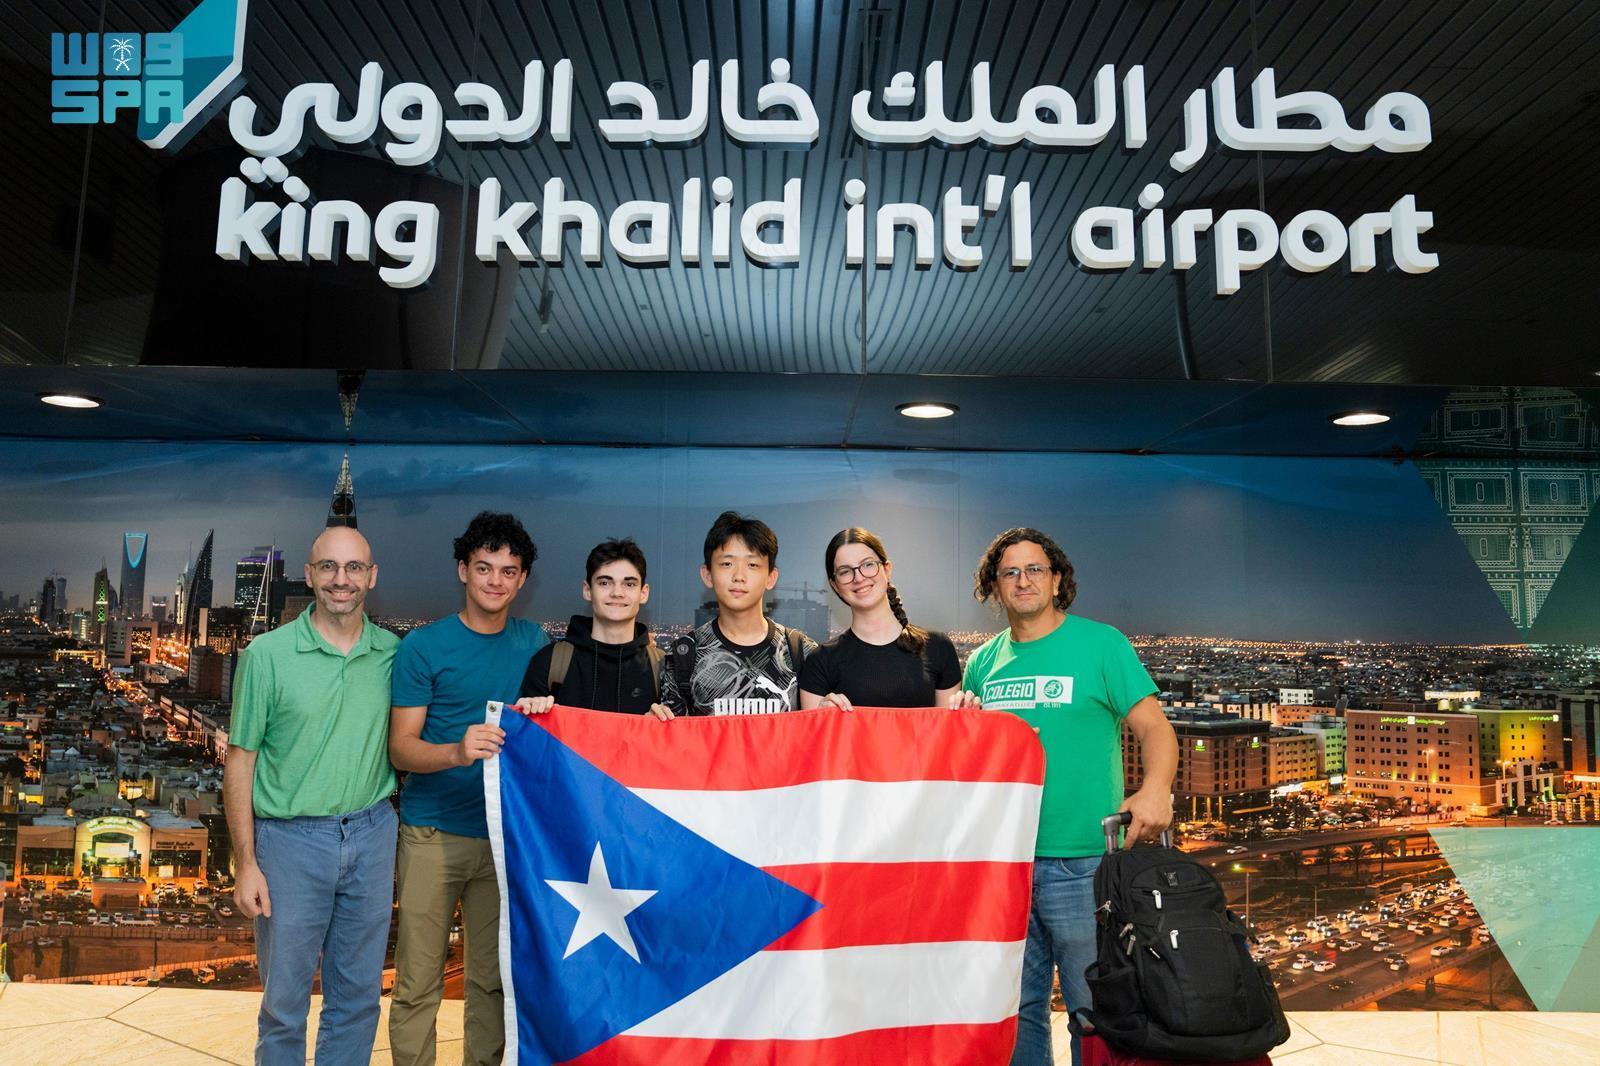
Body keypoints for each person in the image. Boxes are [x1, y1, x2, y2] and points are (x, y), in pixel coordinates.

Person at [958, 527, 1178, 1066]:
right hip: (1007, 863)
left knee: (1095, 1010)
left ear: (1057, 580)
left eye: (1035, 569)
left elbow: (1154, 727)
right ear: (995, 587)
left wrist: (1155, 788)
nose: (1023, 580)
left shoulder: (1102, 645)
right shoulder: (982, 663)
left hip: (1083, 863)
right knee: (1016, 1011)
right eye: (1010, 572)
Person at [226, 525, 399, 1066]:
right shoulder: (267, 655)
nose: (340, 579)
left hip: (373, 835)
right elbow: (240, 762)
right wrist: (245, 864)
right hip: (290, 844)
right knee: (284, 1005)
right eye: (328, 567)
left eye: (353, 568)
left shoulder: (393, 654)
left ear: (371, 577)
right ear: (309, 574)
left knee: (358, 1000)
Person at [387, 512, 549, 1066]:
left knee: (492, 982)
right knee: (418, 981)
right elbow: (400, 749)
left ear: (522, 580)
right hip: (432, 834)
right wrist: (457, 751)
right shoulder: (423, 646)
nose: (495, 581)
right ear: (463, 570)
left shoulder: (535, 643)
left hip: (506, 841)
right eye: (484, 568)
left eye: (508, 571)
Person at [656, 511, 816, 717]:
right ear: (707, 575)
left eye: (752, 565)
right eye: (727, 564)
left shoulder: (801, 651)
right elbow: (673, 734)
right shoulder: (684, 656)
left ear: (771, 577)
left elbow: (816, 728)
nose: (739, 576)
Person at [799, 527, 961, 710]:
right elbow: (812, 728)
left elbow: (948, 727)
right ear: (835, 586)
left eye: (868, 565)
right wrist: (822, 718)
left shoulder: (938, 648)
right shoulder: (819, 662)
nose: (858, 577)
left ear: (887, 569)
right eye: (845, 571)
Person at [518, 537, 674, 716]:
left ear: (643, 593)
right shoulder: (550, 663)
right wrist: (531, 714)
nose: (617, 593)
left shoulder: (663, 669)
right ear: (587, 590)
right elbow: (533, 732)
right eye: (605, 583)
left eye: (629, 584)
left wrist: (659, 728)